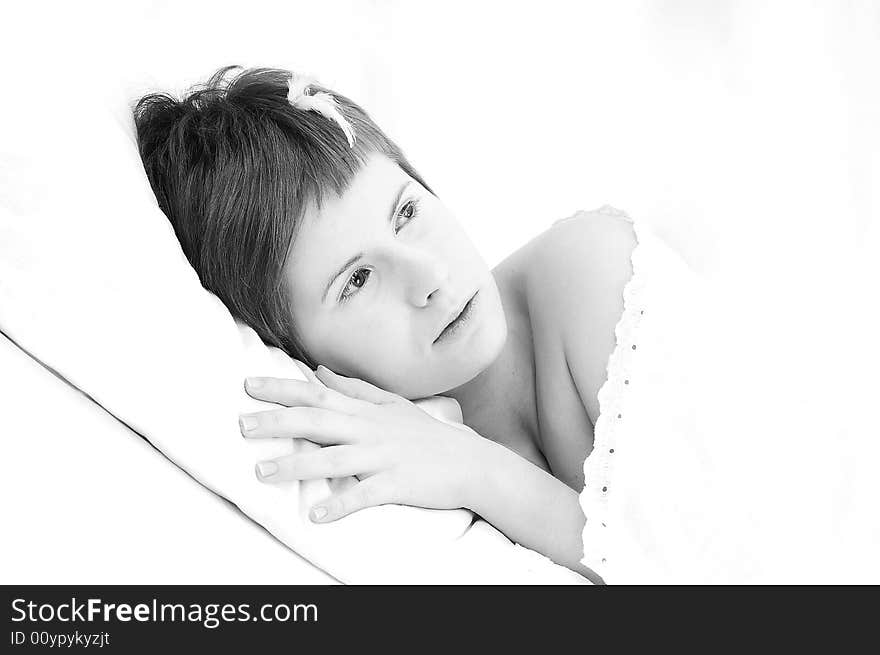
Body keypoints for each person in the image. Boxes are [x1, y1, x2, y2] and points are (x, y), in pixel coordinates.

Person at [134, 65, 640, 583]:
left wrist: (478, 471)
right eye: (357, 280)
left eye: (406, 213)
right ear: (296, 355)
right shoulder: (405, 474)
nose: (429, 276)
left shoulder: (598, 275)